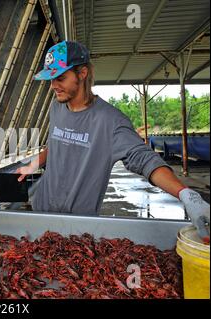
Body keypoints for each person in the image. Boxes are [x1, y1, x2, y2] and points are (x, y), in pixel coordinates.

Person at [16, 41, 210, 240]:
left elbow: (144, 159)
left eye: (60, 78)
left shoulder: (110, 121)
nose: (53, 86)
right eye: (50, 79)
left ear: (82, 73)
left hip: (78, 226)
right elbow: (54, 143)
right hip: (40, 211)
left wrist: (186, 194)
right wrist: (32, 165)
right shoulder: (56, 106)